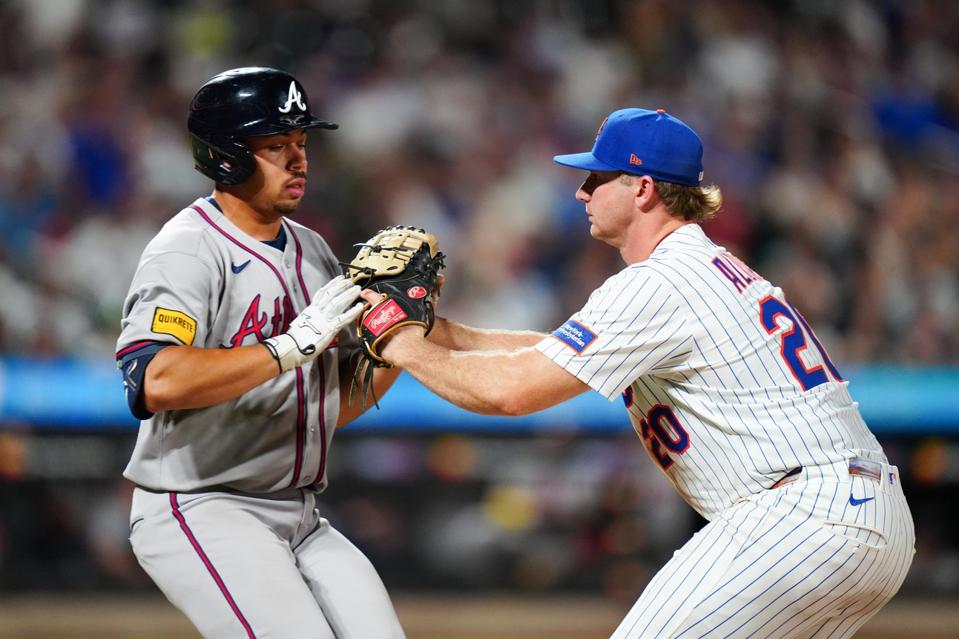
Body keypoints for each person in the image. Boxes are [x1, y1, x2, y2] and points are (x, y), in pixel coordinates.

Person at [371, 108, 916, 638]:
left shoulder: (661, 281)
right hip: (866, 518)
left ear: (643, 189)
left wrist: (398, 342)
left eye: (597, 177)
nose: (582, 192)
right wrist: (441, 332)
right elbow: (556, 353)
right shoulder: (696, 269)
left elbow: (512, 392)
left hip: (799, 517)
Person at [115, 67, 406, 639]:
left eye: (301, 143)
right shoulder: (188, 249)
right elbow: (154, 378)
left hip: (301, 515)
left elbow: (325, 407)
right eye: (276, 145)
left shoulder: (313, 249)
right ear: (227, 155)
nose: (298, 160)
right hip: (202, 505)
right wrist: (289, 347)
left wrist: (392, 344)